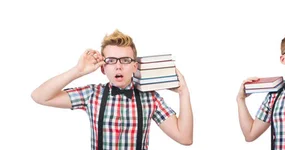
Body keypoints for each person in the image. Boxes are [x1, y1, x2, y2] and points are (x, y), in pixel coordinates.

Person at [30, 29, 194, 150]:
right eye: (111, 61)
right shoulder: (92, 94)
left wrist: (183, 92)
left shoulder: (150, 98)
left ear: (134, 66)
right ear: (103, 68)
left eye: (125, 60)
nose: (118, 66)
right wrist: (77, 71)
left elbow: (185, 138)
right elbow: (40, 97)